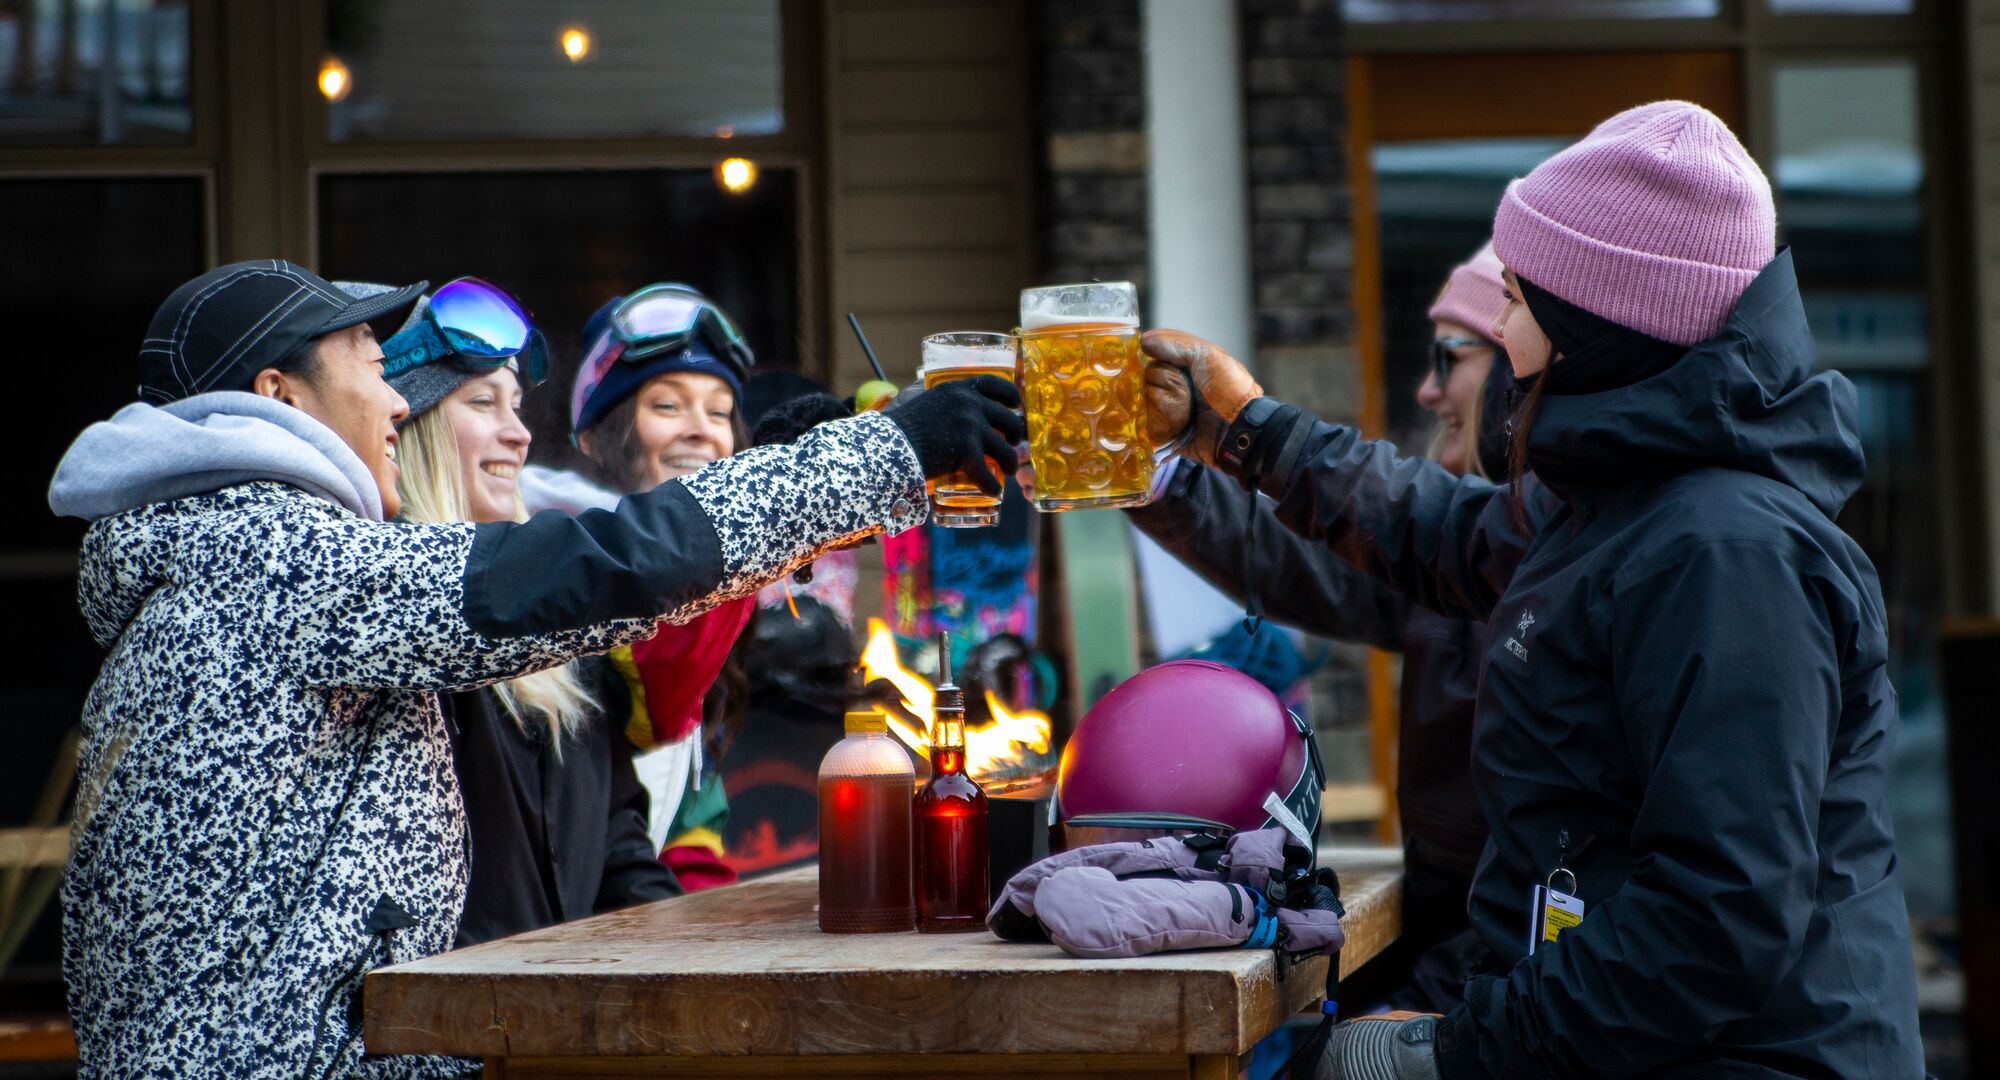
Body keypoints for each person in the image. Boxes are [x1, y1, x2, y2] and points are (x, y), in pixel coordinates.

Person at [47, 259, 1022, 1076]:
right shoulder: (266, 556)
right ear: (277, 394)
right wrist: (877, 459)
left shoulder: (231, 554)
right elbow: (595, 571)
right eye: (374, 369)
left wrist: (802, 476)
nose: (395, 399)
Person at [1143, 103, 1923, 1078]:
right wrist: (1237, 432)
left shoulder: (1723, 557)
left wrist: (1450, 1050)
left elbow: (1713, 922)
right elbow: (1430, 532)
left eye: (1513, 302)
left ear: (1586, 329)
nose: (1498, 332)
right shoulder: (1614, 509)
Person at [1125, 244, 1521, 1013]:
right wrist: (1145, 470)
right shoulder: (1473, 552)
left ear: (1521, 367)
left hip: (1502, 997)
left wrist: (1411, 1022)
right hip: (1470, 979)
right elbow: (1305, 558)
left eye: (1450, 356)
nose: (1428, 385)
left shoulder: (1573, 550)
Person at [380, 279, 681, 946]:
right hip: (440, 1035)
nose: (517, 435)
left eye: (516, 405)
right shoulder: (383, 616)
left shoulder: (565, 624)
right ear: (415, 423)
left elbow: (618, 842)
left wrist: (688, 954)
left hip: (557, 1029)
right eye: (483, 402)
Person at [522, 285, 765, 890]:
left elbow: (691, 838)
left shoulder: (718, 596)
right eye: (667, 406)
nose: (701, 432)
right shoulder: (541, 573)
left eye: (718, 410)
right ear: (595, 439)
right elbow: (651, 705)